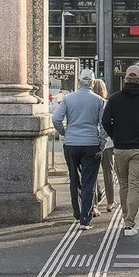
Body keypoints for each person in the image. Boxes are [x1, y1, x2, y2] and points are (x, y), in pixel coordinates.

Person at [102, 65, 139, 237]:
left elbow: (105, 121)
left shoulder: (115, 99)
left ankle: (124, 217)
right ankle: (129, 223)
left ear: (125, 79)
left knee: (124, 184)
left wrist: (114, 135)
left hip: (120, 148)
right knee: (135, 186)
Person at [53, 69, 106, 231]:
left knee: (74, 179)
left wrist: (64, 132)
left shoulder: (68, 99)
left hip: (71, 143)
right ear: (93, 82)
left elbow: (56, 119)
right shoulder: (99, 101)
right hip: (91, 143)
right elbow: (104, 126)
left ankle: (77, 213)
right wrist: (101, 142)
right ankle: (85, 218)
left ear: (78, 82)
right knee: (89, 180)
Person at [91, 78, 116, 215]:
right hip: (107, 143)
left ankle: (93, 203)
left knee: (92, 174)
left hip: (92, 142)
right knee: (108, 172)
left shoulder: (89, 104)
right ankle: (110, 202)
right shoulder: (107, 104)